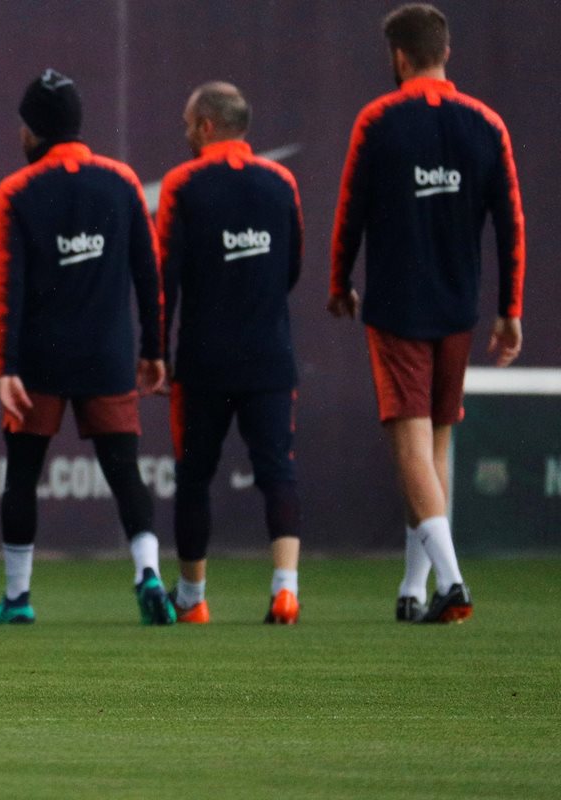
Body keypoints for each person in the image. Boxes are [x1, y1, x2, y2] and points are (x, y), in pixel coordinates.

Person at [329, 3, 525, 623]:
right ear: (446, 53)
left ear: (400, 57)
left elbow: (349, 211)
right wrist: (509, 308)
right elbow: (511, 222)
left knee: (410, 449)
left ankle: (453, 580)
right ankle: (415, 590)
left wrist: (340, 281)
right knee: (435, 443)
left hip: (397, 307)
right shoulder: (487, 123)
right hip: (456, 307)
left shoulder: (379, 121)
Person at [0, 69, 171, 626]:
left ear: (35, 130)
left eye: (22, 126)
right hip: (108, 355)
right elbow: (147, 274)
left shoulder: (18, 190)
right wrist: (155, 349)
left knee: (22, 474)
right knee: (125, 471)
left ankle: (17, 599)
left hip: (39, 359)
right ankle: (148, 573)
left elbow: (7, 283)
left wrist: (8, 365)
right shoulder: (123, 181)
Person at [156, 82, 304, 625]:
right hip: (269, 353)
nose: (186, 134)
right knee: (277, 471)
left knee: (194, 476)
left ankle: (193, 599)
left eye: (189, 125)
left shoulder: (183, 183)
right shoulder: (280, 181)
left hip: (204, 359)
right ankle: (285, 590)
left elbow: (163, 278)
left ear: (207, 127)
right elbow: (292, 266)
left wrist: (155, 352)